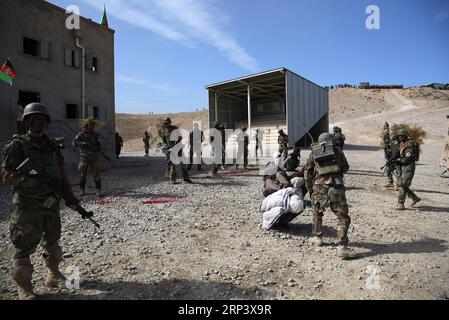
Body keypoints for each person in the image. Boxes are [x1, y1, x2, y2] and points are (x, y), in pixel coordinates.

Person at [2, 103, 82, 299]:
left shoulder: (52, 146)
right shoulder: (17, 145)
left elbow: (61, 176)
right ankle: (24, 287)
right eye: (32, 118)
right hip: (27, 207)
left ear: (46, 122)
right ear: (26, 122)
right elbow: (7, 175)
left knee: (53, 242)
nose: (37, 122)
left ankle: (53, 275)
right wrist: (31, 183)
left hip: (51, 204)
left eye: (41, 119)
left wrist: (70, 198)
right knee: (23, 248)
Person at [305, 132, 351, 259]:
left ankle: (318, 238)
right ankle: (342, 245)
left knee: (317, 212)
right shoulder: (337, 151)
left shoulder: (314, 152)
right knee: (342, 216)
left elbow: (307, 172)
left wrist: (310, 188)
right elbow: (345, 167)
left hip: (319, 188)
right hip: (336, 188)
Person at [393, 129, 421, 210]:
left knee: (402, 185)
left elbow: (407, 158)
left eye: (402, 136)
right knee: (401, 184)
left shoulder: (409, 145)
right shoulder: (402, 143)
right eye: (399, 136)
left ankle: (400, 204)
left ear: (405, 136)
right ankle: (414, 198)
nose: (400, 137)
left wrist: (398, 161)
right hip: (403, 167)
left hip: (409, 167)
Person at [74, 118, 103, 196]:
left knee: (96, 174)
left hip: (93, 157)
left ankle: (98, 190)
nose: (91, 127)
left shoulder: (95, 135)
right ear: (86, 126)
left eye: (92, 125)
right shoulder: (80, 135)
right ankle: (82, 190)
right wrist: (82, 143)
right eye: (90, 125)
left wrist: (97, 148)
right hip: (84, 157)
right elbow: (74, 143)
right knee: (82, 174)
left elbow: (99, 145)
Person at [161, 117, 192, 184]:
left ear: (170, 123)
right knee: (172, 164)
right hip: (169, 150)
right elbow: (164, 141)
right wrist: (164, 146)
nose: (166, 124)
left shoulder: (175, 129)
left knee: (183, 164)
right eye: (164, 123)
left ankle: (186, 178)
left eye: (167, 123)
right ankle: (172, 179)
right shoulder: (164, 131)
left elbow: (180, 138)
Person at [382, 122, 395, 189]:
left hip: (394, 159)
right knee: (388, 171)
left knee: (398, 172)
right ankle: (390, 182)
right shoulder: (385, 142)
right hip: (389, 159)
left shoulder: (392, 142)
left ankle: (399, 185)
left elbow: (394, 150)